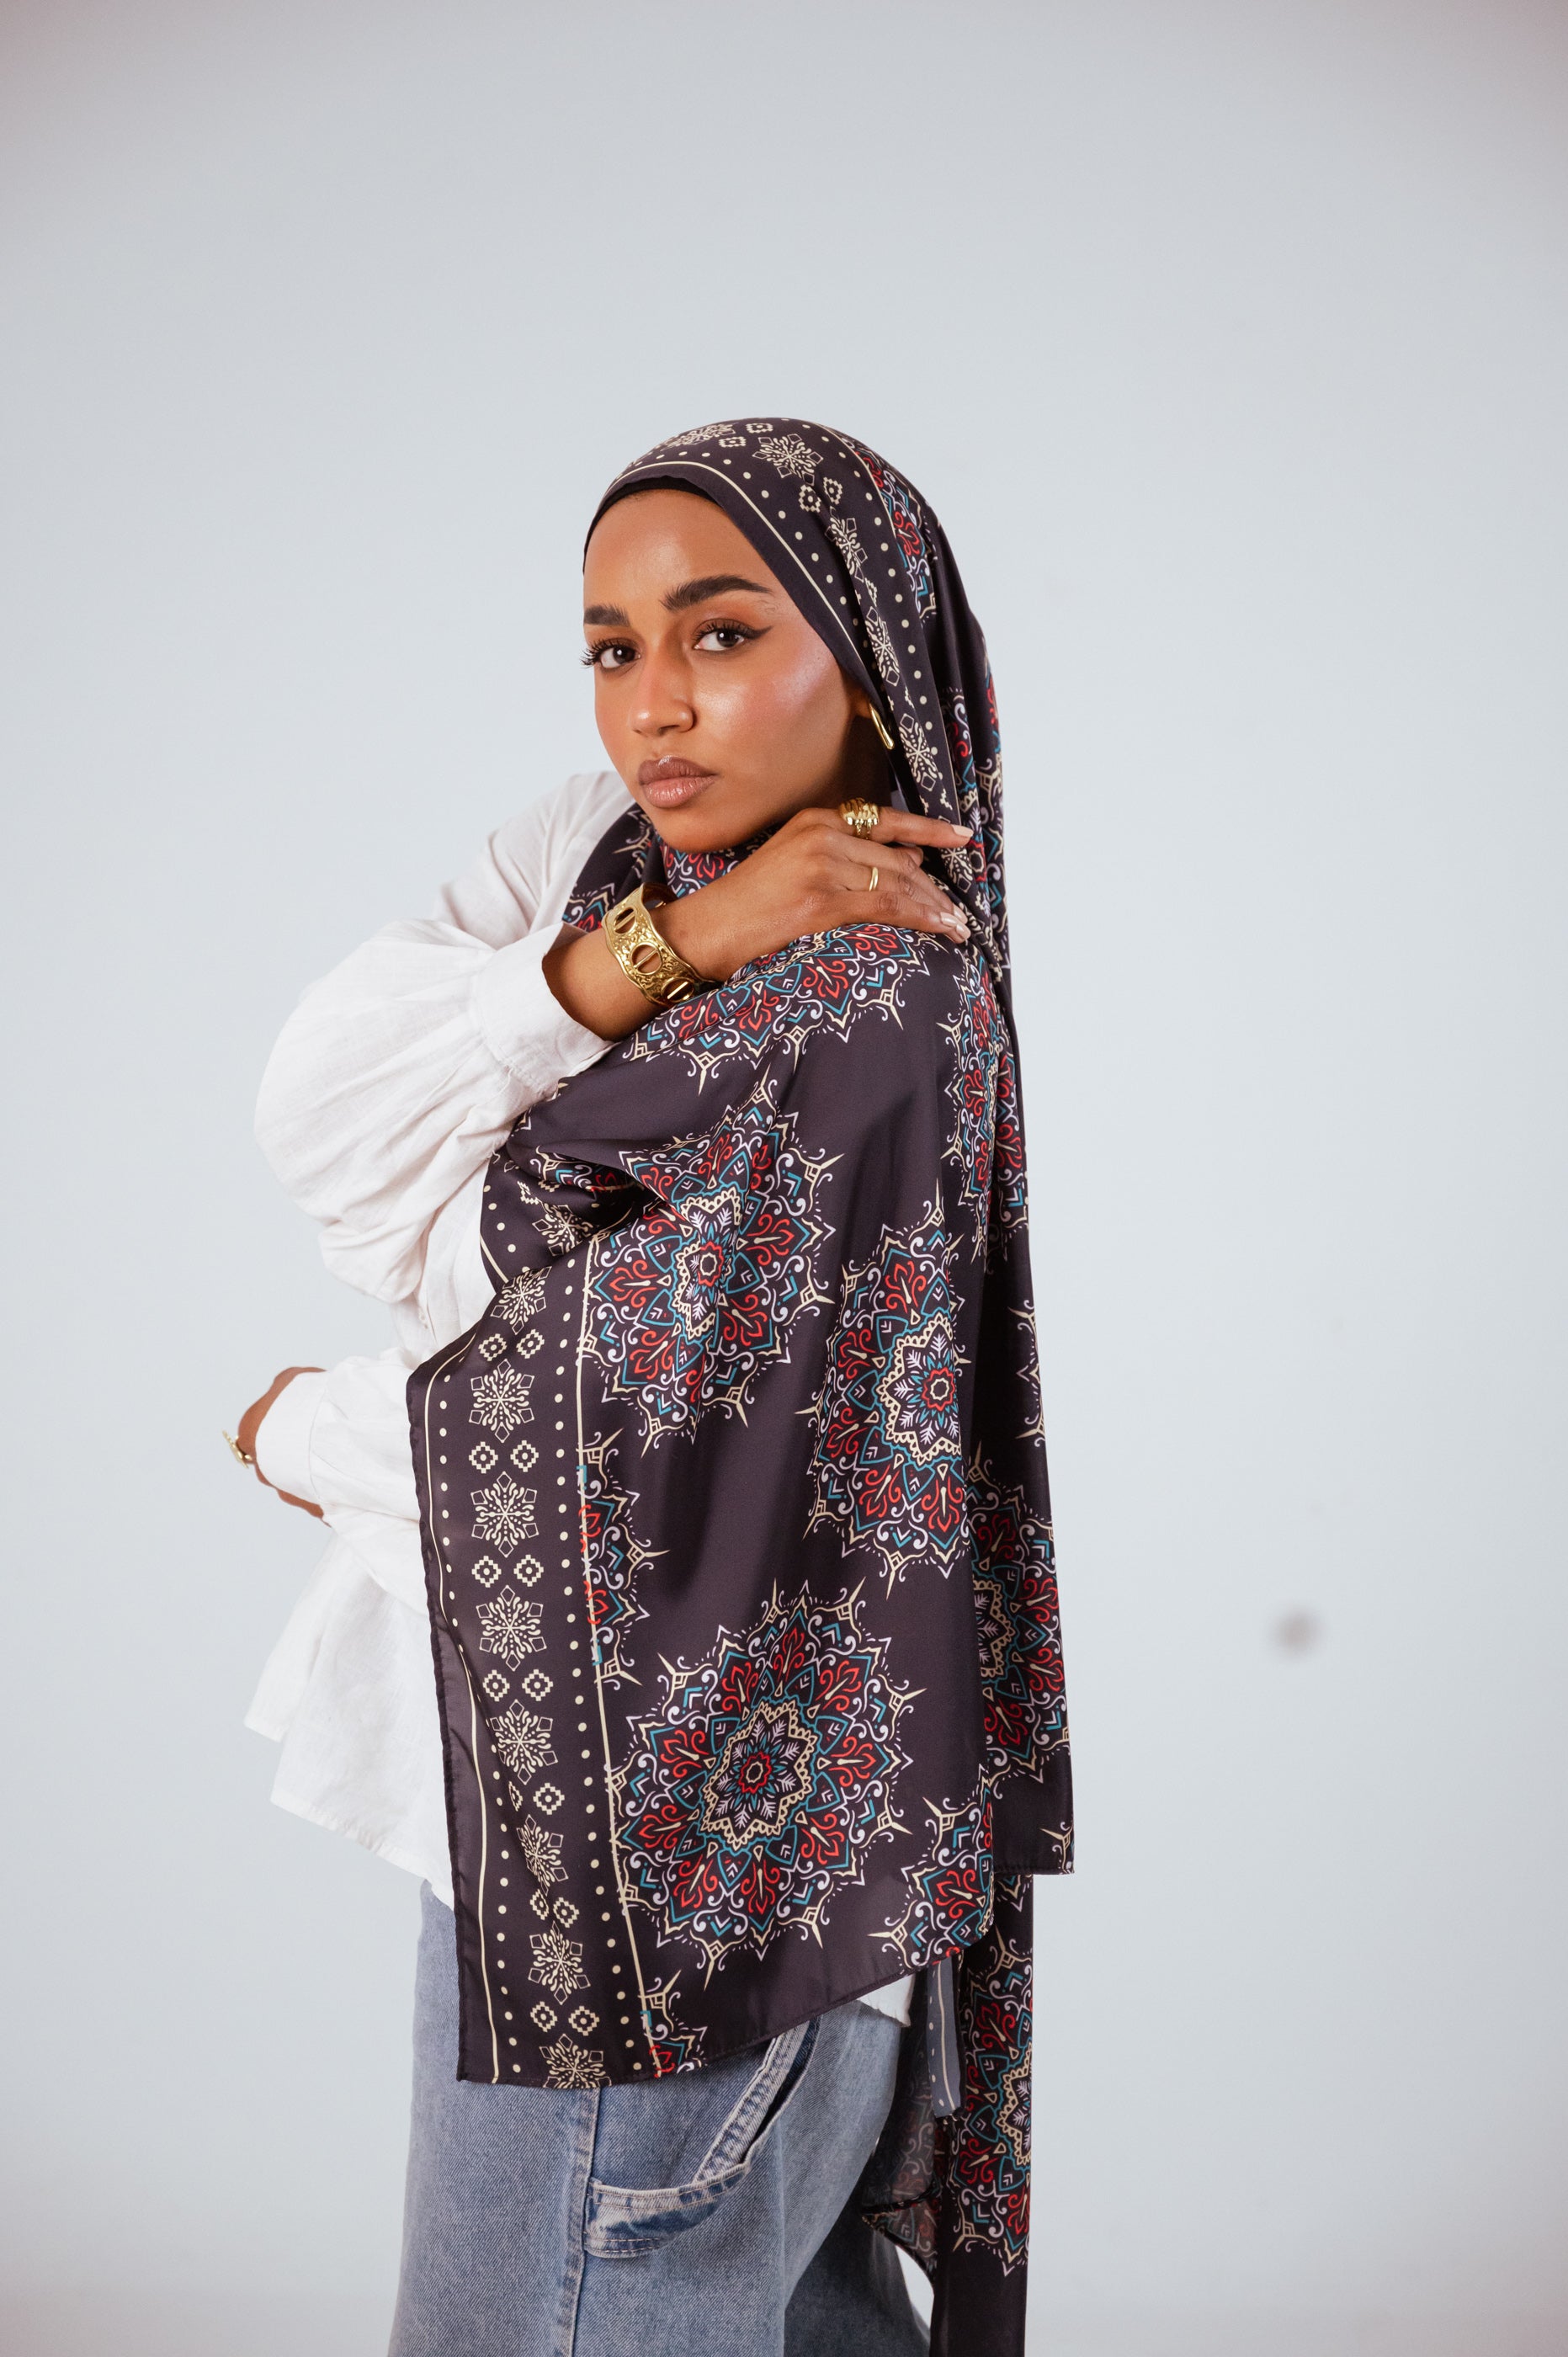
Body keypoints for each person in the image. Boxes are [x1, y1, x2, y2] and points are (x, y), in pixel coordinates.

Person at [234, 419, 1071, 2357]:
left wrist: (298, 1426)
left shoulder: (869, 1000)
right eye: (609, 646)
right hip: (670, 1874)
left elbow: (635, 1457)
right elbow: (329, 1123)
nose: (650, 707)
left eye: (714, 634)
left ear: (863, 656)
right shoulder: (623, 866)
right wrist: (667, 938)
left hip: (656, 1905)